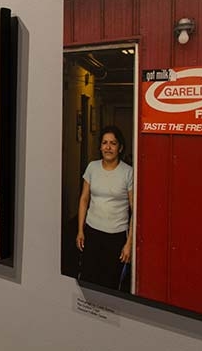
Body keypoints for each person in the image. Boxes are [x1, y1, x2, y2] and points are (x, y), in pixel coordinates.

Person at [76, 125, 133, 291]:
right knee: (88, 279)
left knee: (110, 282)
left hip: (116, 237)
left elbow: (134, 211)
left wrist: (129, 244)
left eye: (113, 143)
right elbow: (84, 199)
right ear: (100, 146)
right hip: (92, 232)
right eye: (105, 143)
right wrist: (80, 230)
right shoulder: (92, 167)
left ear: (120, 147)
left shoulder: (128, 172)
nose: (108, 147)